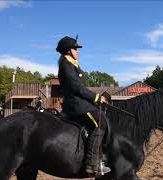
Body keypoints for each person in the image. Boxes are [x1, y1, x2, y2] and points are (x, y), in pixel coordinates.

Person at [56, 36, 111, 175]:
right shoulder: (66, 64)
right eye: (75, 48)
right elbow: (77, 88)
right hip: (75, 104)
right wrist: (97, 97)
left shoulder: (71, 63)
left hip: (80, 102)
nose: (77, 51)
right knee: (100, 121)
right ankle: (92, 164)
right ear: (68, 50)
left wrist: (95, 100)